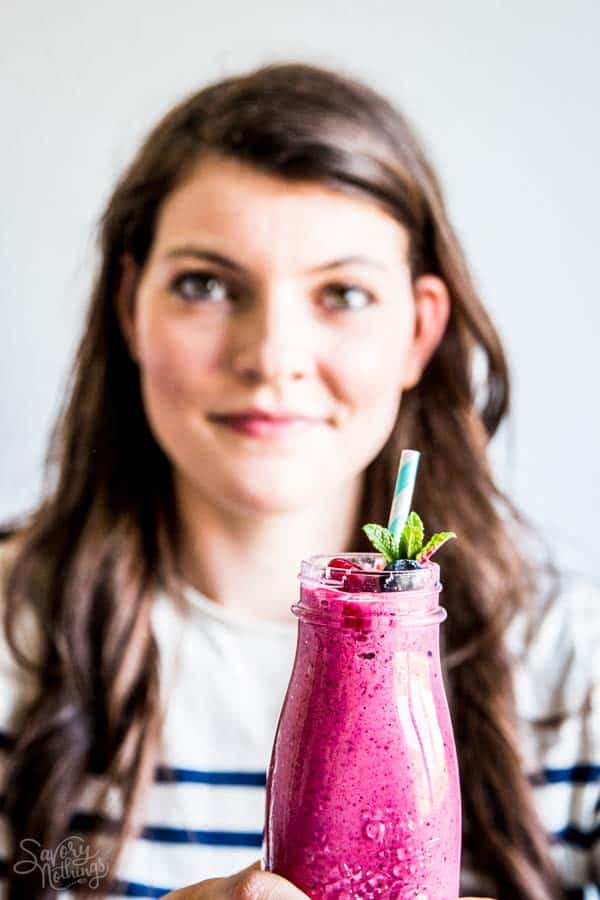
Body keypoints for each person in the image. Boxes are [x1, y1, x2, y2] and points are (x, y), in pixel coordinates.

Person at [0, 61, 597, 900]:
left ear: (420, 332)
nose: (272, 359)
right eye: (206, 285)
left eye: (343, 294)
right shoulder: (11, 637)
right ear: (132, 304)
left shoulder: (573, 664)